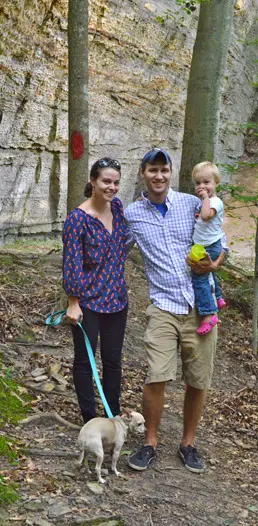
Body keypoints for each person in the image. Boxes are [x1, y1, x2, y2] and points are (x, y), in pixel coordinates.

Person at [124, 148, 226, 473]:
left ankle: (188, 443)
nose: (159, 176)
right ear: (143, 173)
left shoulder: (191, 204)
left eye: (164, 170)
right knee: (157, 376)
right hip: (163, 307)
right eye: (152, 170)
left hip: (200, 306)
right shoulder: (132, 215)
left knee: (198, 380)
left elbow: (220, 240)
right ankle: (150, 443)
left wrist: (214, 263)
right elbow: (114, 252)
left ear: (170, 173)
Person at [62, 157, 128, 423]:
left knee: (113, 361)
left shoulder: (118, 208)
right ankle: (89, 419)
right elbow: (72, 263)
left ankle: (113, 416)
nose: (111, 187)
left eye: (115, 182)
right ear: (93, 181)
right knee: (84, 362)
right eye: (106, 181)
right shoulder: (78, 219)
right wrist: (73, 302)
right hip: (88, 303)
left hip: (117, 300)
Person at [191, 161, 227, 336]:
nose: (202, 186)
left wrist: (205, 198)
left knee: (199, 278)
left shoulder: (215, 201)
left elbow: (206, 217)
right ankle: (218, 297)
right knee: (209, 273)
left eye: (206, 182)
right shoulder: (205, 201)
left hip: (210, 246)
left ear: (216, 183)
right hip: (204, 244)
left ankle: (209, 314)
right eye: (198, 183)